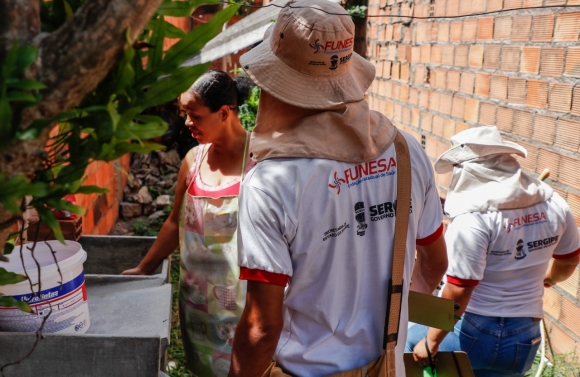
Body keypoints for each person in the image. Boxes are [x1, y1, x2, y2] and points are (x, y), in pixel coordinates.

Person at [228, 1, 448, 376]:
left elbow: (262, 328)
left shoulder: (271, 183)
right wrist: (397, 320)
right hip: (386, 366)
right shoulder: (406, 150)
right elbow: (435, 263)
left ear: (274, 83)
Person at [406, 126, 580, 377]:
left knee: (409, 340)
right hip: (524, 337)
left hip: (472, 332)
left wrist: (431, 342)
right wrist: (551, 277)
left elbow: (459, 290)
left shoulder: (473, 221)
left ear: (470, 170)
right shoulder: (554, 205)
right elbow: (569, 260)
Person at [122, 69, 256, 377]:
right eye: (185, 114)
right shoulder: (192, 161)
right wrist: (144, 268)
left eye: (194, 116)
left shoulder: (259, 160)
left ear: (224, 113)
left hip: (245, 305)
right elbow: (174, 223)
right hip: (198, 303)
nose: (186, 123)